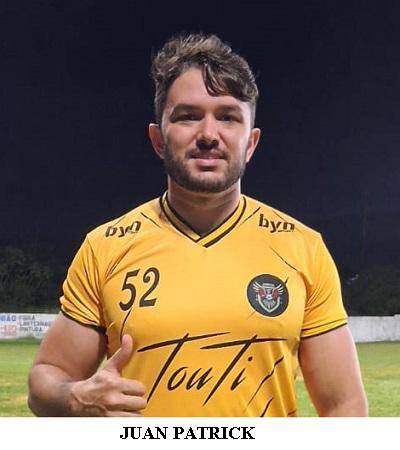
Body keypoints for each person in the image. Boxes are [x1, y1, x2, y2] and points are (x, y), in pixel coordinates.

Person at [28, 33, 368, 417]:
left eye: (228, 117)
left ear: (251, 143)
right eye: (188, 116)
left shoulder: (303, 248)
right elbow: (47, 377)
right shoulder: (105, 247)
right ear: (158, 139)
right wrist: (75, 398)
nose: (208, 135)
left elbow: (344, 405)